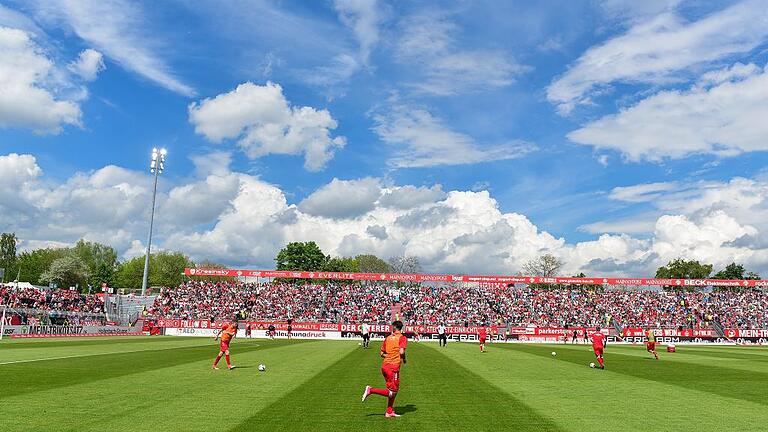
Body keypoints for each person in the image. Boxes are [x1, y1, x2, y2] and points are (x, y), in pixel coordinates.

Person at [361, 320, 408, 418]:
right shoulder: (402, 338)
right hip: (393, 367)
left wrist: (390, 355)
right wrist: (404, 359)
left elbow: (382, 354)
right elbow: (402, 351)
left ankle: (389, 411)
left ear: (394, 327)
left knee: (393, 389)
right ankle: (371, 390)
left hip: (385, 366)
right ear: (400, 328)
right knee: (393, 392)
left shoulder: (388, 338)